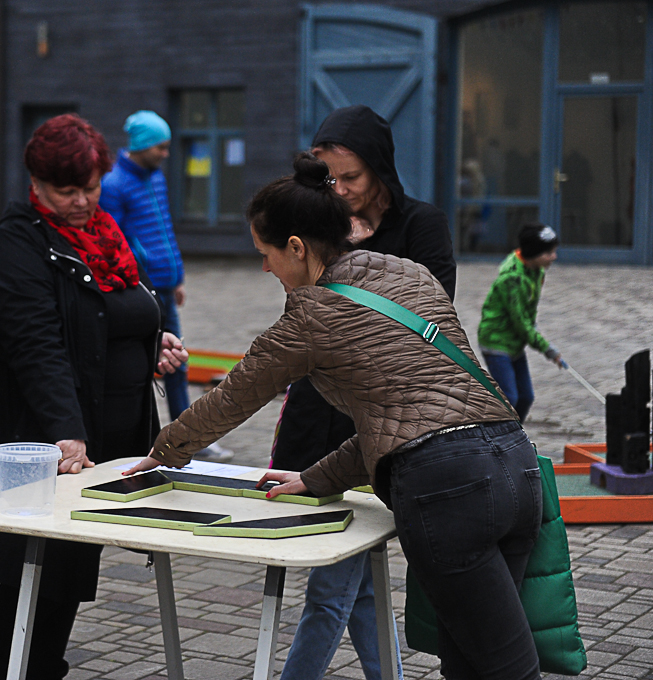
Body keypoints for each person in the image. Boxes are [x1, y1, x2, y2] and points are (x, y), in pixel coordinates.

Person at [128, 153, 542, 680]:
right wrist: (317, 478)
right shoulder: (410, 274)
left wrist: (164, 450)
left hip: (448, 490)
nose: (264, 269)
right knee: (471, 661)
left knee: (506, 668)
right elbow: (401, 425)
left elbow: (233, 397)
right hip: (516, 465)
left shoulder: (309, 315)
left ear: (296, 248)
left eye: (265, 255)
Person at [0, 113, 187, 680]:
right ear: (35, 183)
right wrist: (67, 433)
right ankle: (7, 658)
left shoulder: (102, 235)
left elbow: (110, 314)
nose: (83, 201)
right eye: (66, 191)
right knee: (45, 563)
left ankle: (16, 658)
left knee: (74, 560)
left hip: (108, 427)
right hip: (48, 432)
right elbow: (37, 347)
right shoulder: (17, 246)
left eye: (90, 187)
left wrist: (150, 343)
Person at [270, 104, 457, 679]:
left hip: (381, 425)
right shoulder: (318, 223)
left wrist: (349, 263)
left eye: (351, 177)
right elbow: (303, 321)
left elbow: (427, 320)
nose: (341, 189)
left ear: (380, 169)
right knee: (358, 579)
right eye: (330, 179)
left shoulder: (421, 224)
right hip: (317, 419)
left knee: (331, 590)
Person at [100, 110, 232, 462]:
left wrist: (177, 276)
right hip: (140, 290)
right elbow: (113, 242)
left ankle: (186, 436)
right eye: (160, 146)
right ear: (141, 146)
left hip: (165, 286)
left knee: (177, 362)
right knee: (141, 364)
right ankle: (148, 436)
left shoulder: (156, 178)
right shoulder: (113, 185)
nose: (165, 153)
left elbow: (164, 230)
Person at [478, 223, 563, 421]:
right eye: (549, 253)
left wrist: (533, 328)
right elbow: (521, 322)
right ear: (534, 253)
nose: (554, 257)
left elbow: (528, 312)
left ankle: (515, 434)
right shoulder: (512, 279)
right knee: (509, 398)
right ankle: (499, 433)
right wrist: (548, 349)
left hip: (514, 343)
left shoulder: (536, 271)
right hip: (497, 342)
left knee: (526, 397)